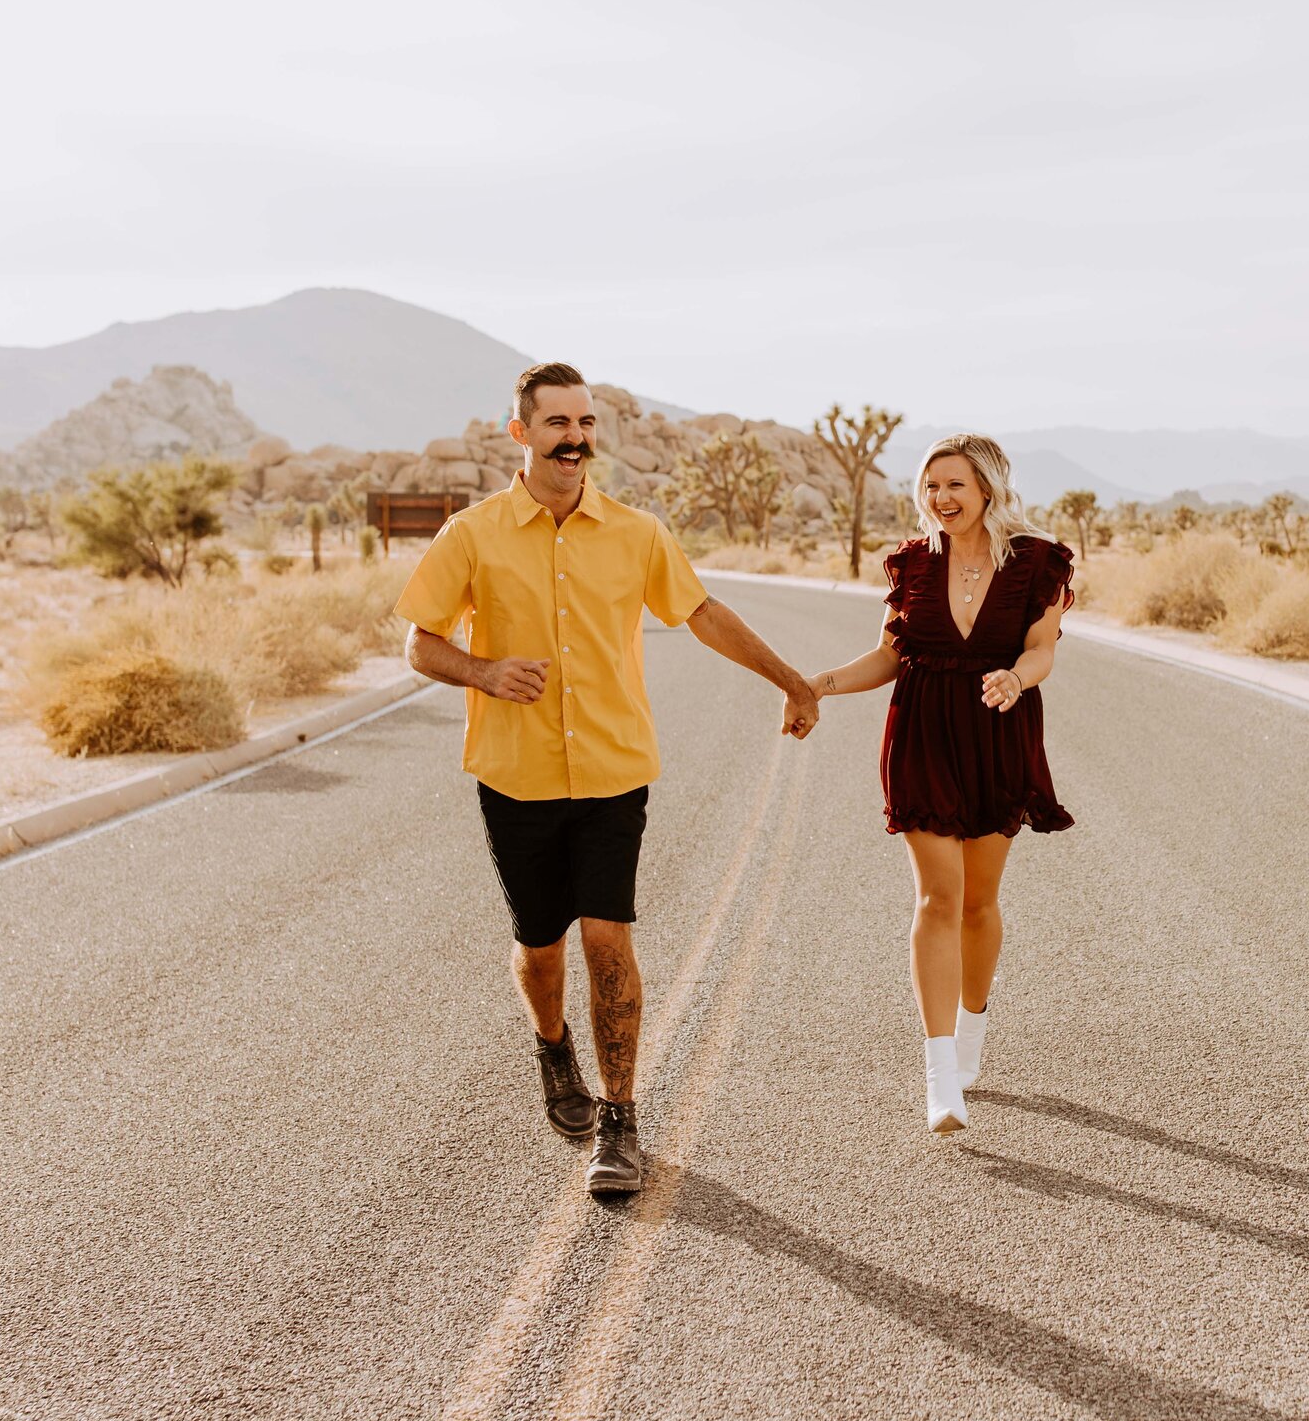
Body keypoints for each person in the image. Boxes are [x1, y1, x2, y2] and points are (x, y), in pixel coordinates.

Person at [397, 362, 819, 1196]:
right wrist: (482, 671)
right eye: (557, 423)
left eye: (585, 423)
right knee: (540, 947)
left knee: (607, 937)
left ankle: (620, 1120)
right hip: (515, 777)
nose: (576, 438)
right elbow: (420, 642)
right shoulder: (471, 534)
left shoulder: (636, 532)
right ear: (520, 434)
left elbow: (701, 613)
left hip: (612, 772)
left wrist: (791, 679)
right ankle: (554, 1048)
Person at [806, 434, 1073, 1134]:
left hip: (996, 729)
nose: (941, 499)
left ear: (987, 487)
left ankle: (972, 1036)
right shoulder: (911, 563)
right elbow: (890, 655)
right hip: (921, 731)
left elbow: (1042, 648)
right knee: (938, 895)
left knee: (980, 902)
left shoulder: (1039, 563)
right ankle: (938, 1072)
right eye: (931, 486)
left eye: (955, 485)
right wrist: (821, 684)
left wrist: (1017, 677)